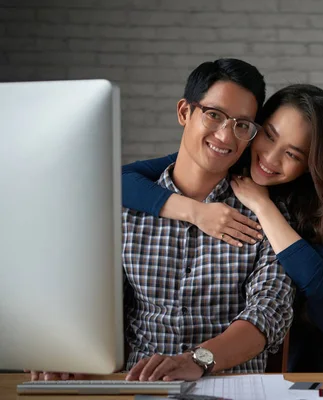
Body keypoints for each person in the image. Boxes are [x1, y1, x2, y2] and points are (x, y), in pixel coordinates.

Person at [29, 58, 295, 382]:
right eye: (214, 115)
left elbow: (269, 312)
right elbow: (91, 305)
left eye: (242, 125)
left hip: (231, 387)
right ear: (185, 112)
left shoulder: (265, 217)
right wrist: (70, 353)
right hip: (140, 386)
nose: (226, 135)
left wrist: (199, 360)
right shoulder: (126, 211)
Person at [121, 83, 323, 372]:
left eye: (292, 154)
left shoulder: (315, 200)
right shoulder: (233, 153)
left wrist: (262, 206)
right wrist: (197, 213)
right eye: (269, 135)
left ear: (311, 165)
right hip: (289, 317)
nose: (270, 157)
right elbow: (120, 179)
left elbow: (315, 282)